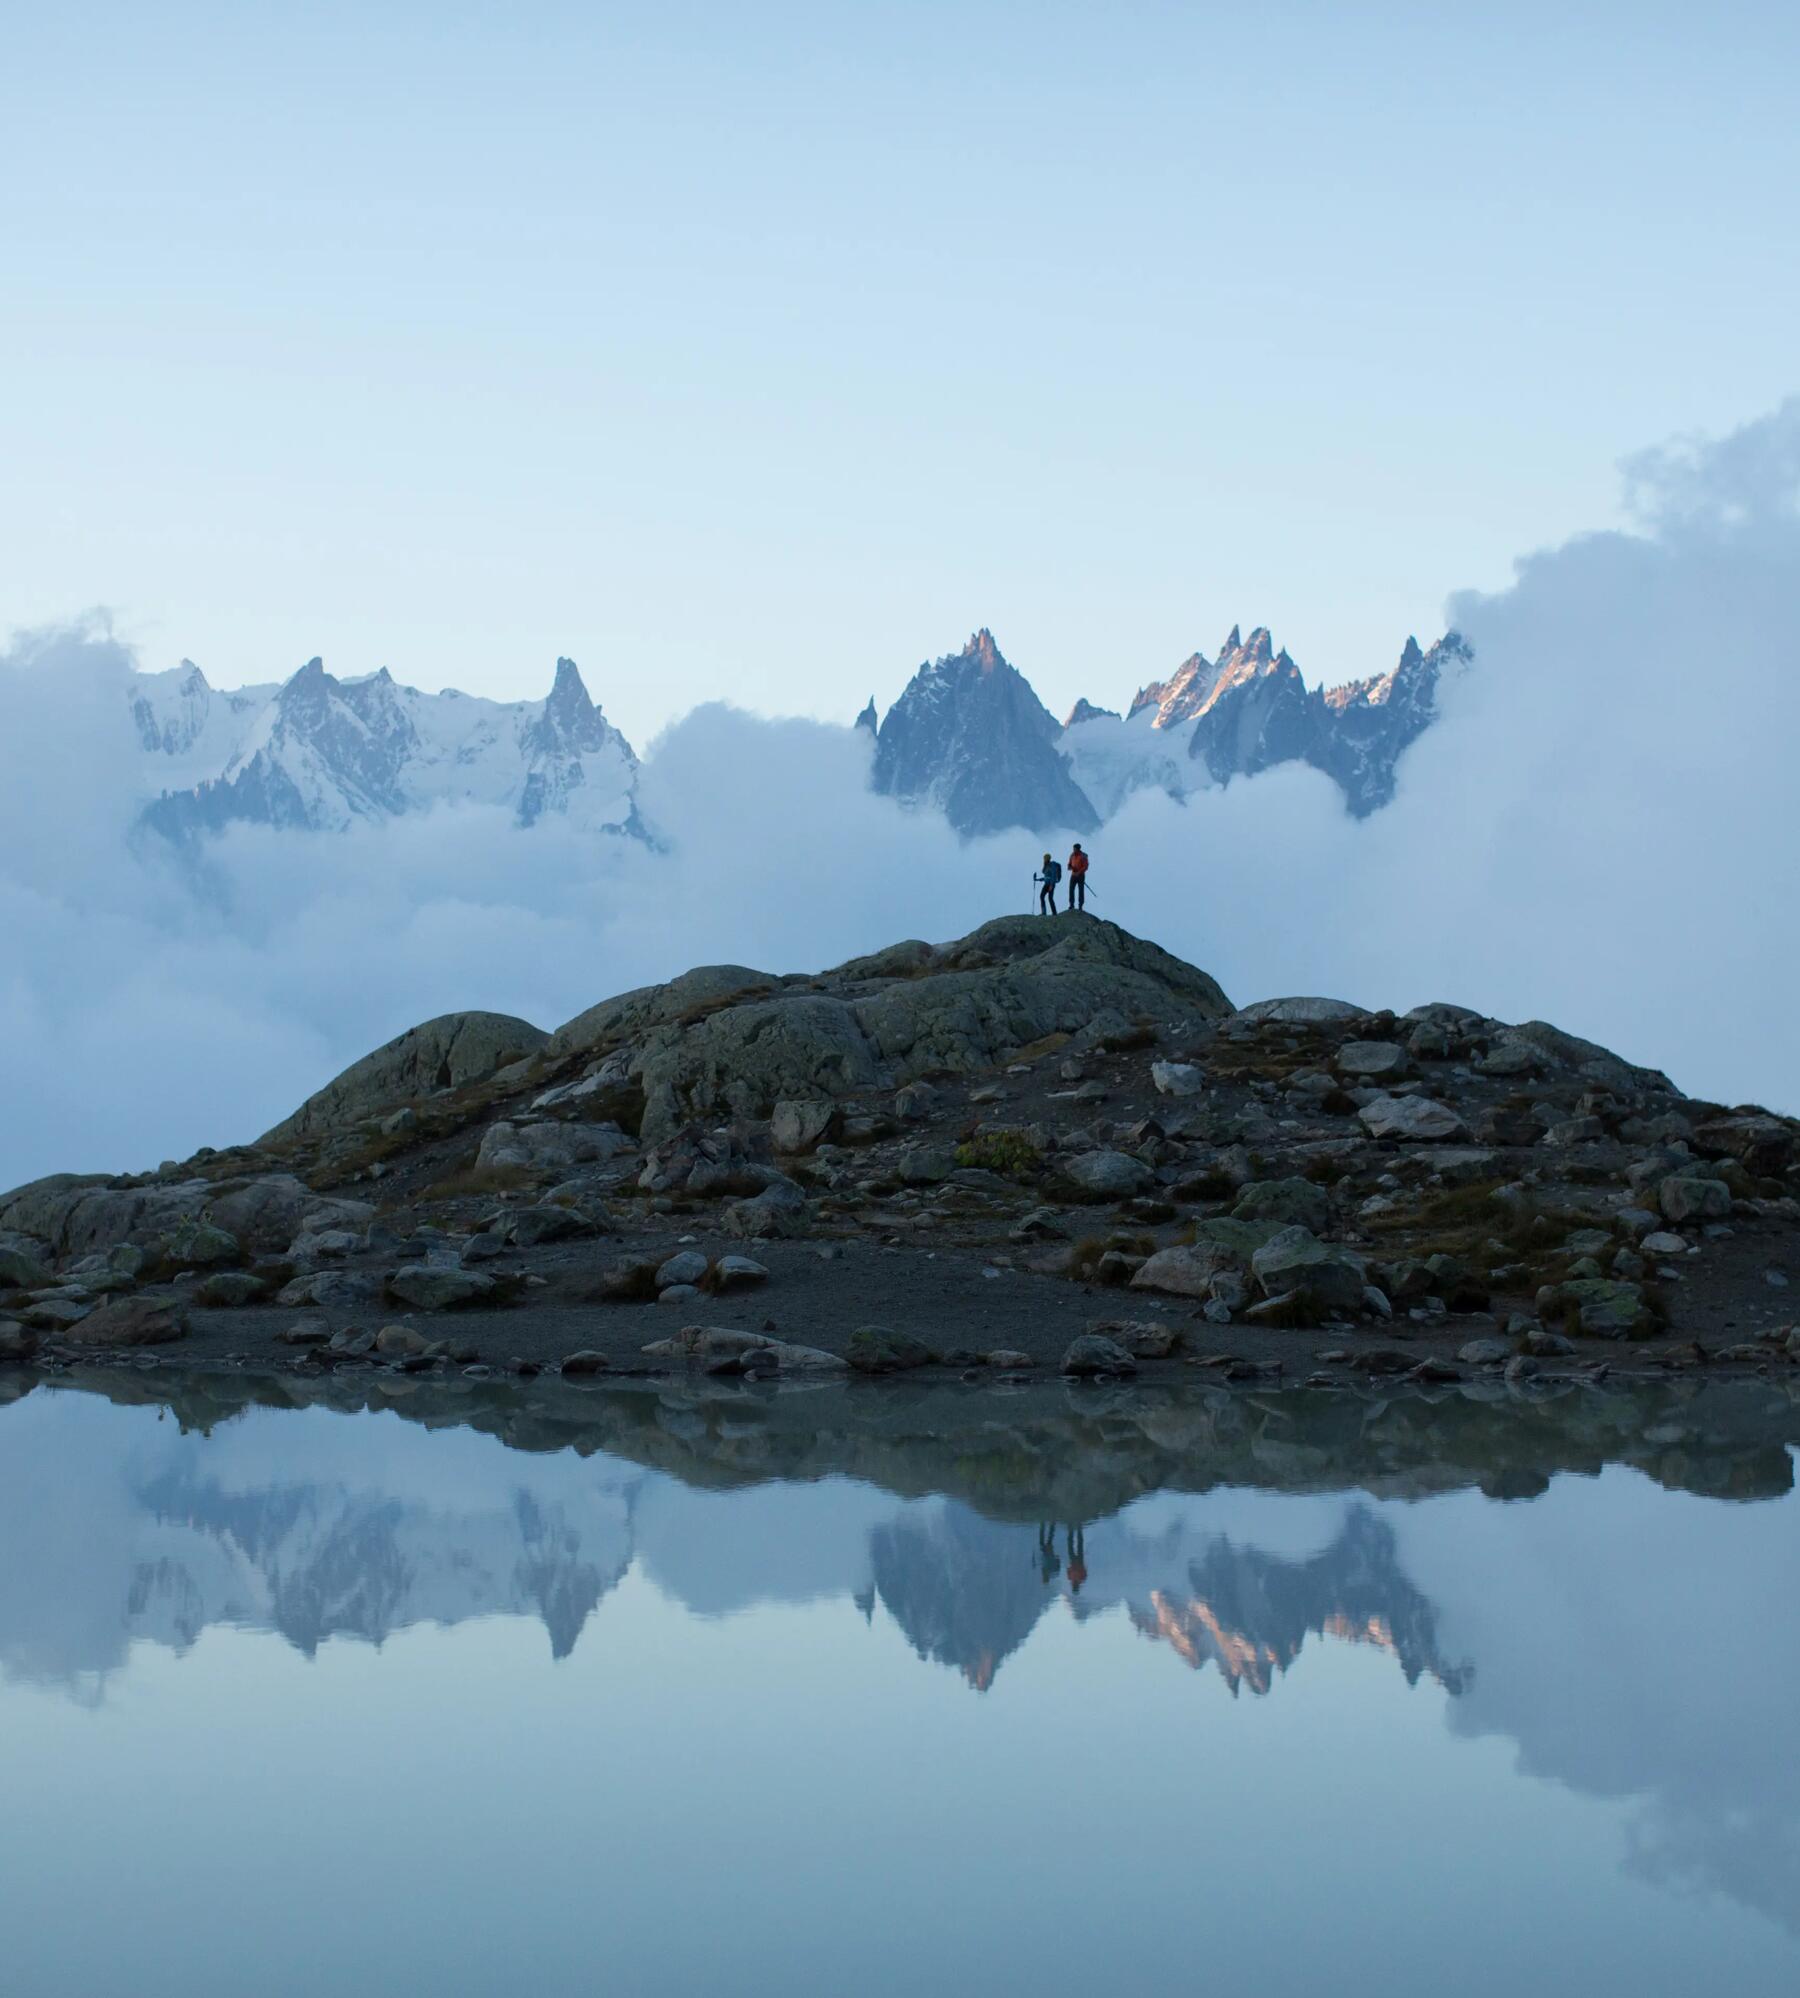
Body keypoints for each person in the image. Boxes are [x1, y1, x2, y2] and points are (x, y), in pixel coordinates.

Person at [1067, 842, 1090, 911]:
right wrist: (1070, 867)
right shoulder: (1072, 855)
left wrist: (1079, 872)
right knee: (1071, 889)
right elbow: (1069, 864)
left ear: (1078, 849)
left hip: (1080, 876)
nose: (1073, 850)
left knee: (1080, 890)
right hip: (1073, 875)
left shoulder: (1083, 856)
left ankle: (1080, 905)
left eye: (1074, 849)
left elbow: (1085, 866)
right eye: (1073, 849)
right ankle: (1071, 904)